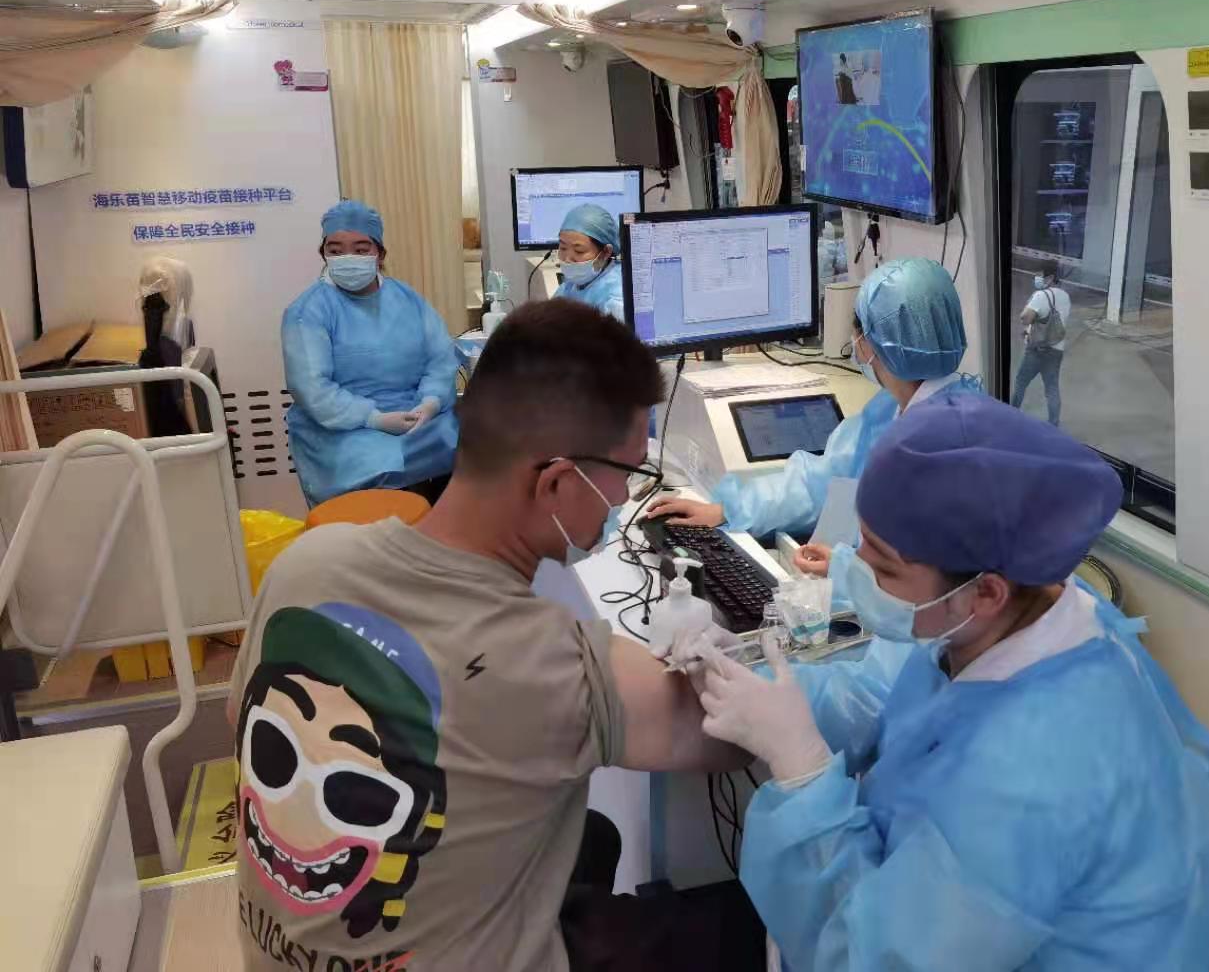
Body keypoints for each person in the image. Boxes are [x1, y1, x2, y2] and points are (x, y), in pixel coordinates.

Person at [229, 300, 761, 972]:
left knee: (590, 836)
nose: (625, 500)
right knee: (743, 923)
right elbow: (731, 739)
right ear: (558, 482)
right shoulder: (552, 659)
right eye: (629, 474)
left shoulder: (303, 564)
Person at [677, 392, 1209, 972]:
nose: (853, 570)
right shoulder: (1019, 614)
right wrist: (752, 674)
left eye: (882, 566)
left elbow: (876, 956)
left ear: (987, 592)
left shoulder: (1034, 777)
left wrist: (803, 770)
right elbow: (883, 701)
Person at [647, 257, 981, 581]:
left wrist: (845, 572)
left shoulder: (942, 441)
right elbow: (819, 483)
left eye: (858, 335)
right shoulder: (893, 409)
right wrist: (728, 510)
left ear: (869, 345)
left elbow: (926, 582)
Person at [282, 200, 461, 506]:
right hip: (343, 431)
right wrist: (373, 418)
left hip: (418, 416)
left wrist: (431, 402)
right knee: (383, 472)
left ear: (380, 254)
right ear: (324, 254)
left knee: (476, 447)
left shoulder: (408, 300)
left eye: (361, 249)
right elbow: (313, 389)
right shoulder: (308, 312)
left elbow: (440, 360)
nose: (348, 258)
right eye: (336, 250)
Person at [1012, 261, 1069, 426]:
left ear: (1050, 278)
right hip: (1056, 349)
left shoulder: (1041, 296)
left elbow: (1025, 318)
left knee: (1021, 382)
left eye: (1038, 275)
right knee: (1051, 388)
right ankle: (1054, 424)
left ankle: (1012, 415)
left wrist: (1030, 321)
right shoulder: (1065, 296)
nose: (1036, 279)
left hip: (1037, 350)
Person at [554, 203, 624, 320]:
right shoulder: (570, 286)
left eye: (579, 251)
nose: (567, 259)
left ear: (606, 252)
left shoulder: (616, 300)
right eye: (563, 248)